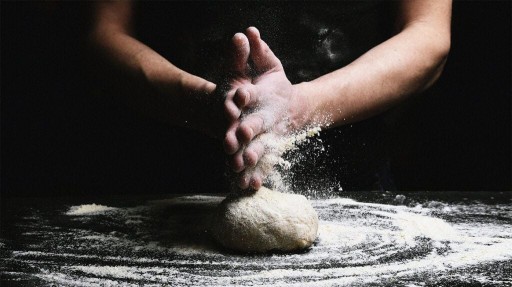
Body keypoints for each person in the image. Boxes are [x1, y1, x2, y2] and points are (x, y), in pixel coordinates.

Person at [89, 1, 451, 192]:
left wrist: (300, 108)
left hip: (355, 184)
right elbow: (103, 31)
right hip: (159, 179)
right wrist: (196, 102)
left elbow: (428, 35)